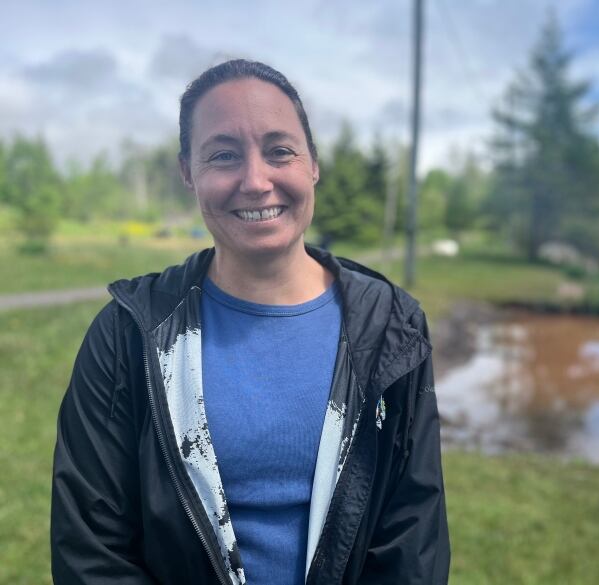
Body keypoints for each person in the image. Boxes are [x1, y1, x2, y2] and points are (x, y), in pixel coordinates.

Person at [50, 59, 450, 585]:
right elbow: (91, 548)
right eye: (223, 156)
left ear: (313, 164)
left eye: (280, 151)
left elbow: (412, 538)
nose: (256, 181)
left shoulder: (392, 326)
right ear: (188, 172)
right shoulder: (129, 333)